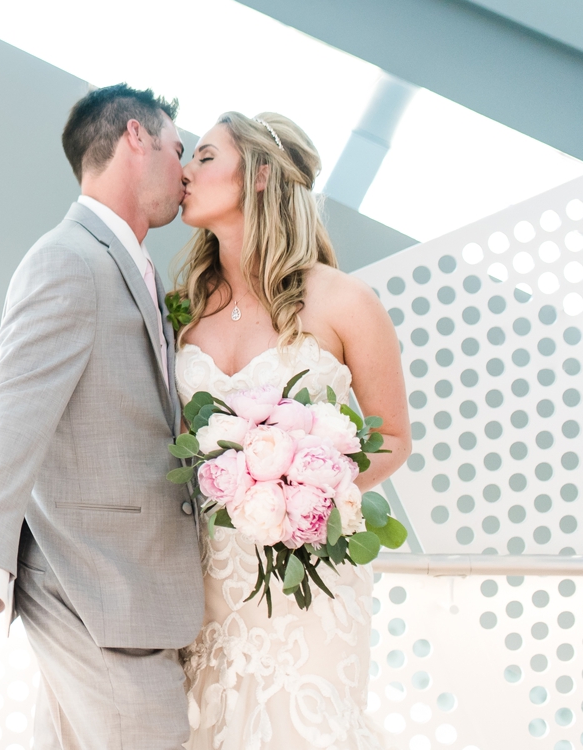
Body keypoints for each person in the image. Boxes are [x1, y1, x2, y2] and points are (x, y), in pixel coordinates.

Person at [0, 83, 206, 749]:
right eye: (179, 149)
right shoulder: (68, 259)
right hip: (96, 590)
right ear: (136, 137)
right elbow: (5, 417)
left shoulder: (136, 266)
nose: (186, 169)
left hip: (133, 594)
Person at [174, 111, 411, 750]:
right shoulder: (184, 310)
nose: (185, 172)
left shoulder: (343, 301)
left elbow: (391, 439)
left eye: (203, 156)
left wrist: (301, 495)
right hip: (205, 579)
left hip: (308, 573)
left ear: (257, 175)